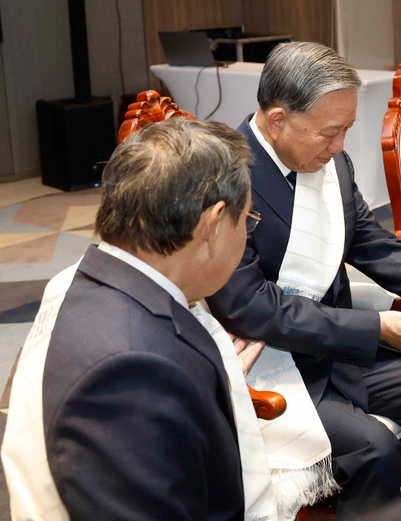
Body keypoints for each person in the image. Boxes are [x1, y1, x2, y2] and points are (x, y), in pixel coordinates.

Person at [206, 42, 401, 517]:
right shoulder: (224, 176)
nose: (340, 145)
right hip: (269, 365)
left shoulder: (329, 162)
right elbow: (251, 306)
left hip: (336, 352)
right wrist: (377, 328)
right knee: (374, 448)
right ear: (277, 120)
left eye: (347, 129)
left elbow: (371, 243)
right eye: (328, 131)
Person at [1, 119, 267, 520]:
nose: (247, 233)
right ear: (212, 225)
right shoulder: (135, 375)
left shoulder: (73, 281)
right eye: (246, 218)